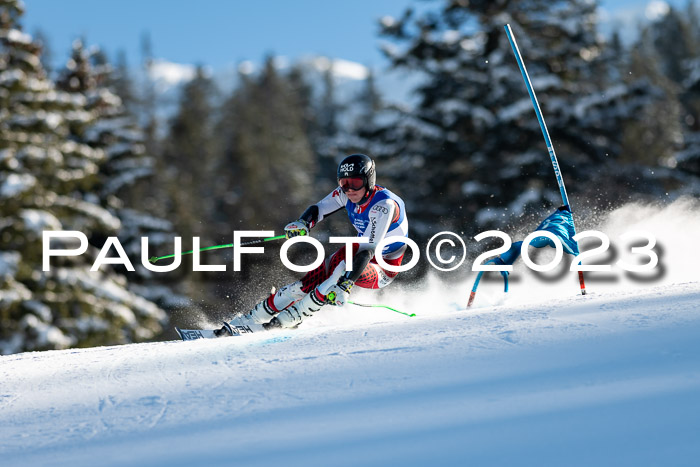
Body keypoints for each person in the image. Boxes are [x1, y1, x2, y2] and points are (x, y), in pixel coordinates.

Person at [218, 153, 409, 334]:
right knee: (316, 275)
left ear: (369, 181)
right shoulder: (346, 194)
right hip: (356, 257)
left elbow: (366, 250)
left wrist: (346, 285)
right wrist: (303, 223)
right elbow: (320, 208)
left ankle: (294, 316)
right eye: (344, 183)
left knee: (342, 260)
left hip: (381, 268)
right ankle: (255, 317)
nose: (349, 189)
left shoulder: (384, 206)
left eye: (356, 183)